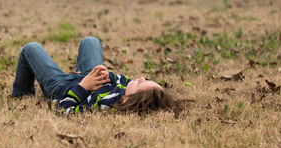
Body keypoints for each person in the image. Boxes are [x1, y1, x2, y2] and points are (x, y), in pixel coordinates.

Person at [11, 36, 180, 114]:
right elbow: (124, 80)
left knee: (30, 48)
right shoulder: (125, 89)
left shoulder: (104, 104)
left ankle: (22, 92)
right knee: (91, 41)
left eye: (140, 84)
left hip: (61, 87)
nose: (141, 78)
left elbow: (64, 109)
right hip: (87, 75)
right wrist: (109, 75)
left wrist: (83, 87)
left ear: (130, 100)